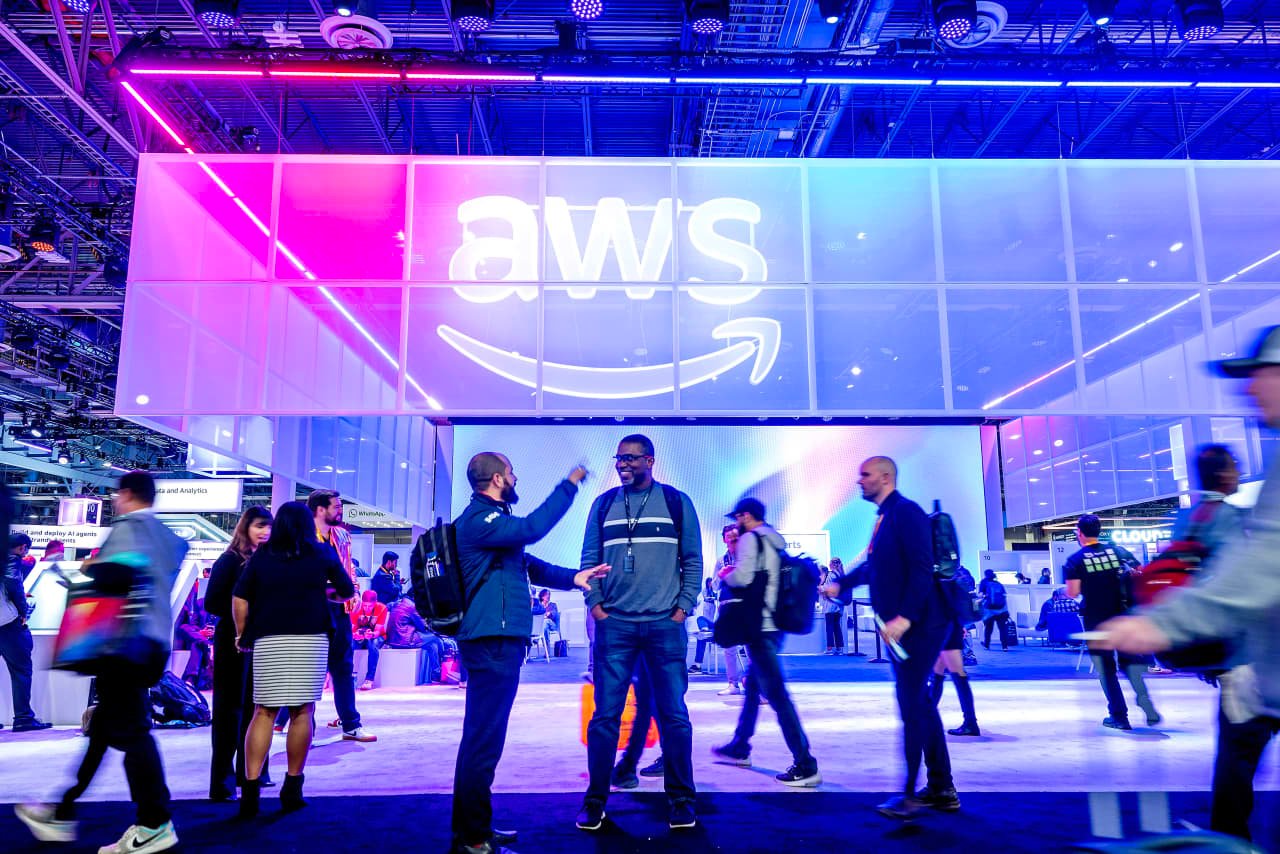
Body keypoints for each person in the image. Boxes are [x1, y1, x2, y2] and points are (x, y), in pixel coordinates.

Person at [1103, 431, 1266, 833]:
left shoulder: (1186, 518)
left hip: (1218, 652)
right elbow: (1233, 585)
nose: (1238, 473)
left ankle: (1228, 834)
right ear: (1222, 475)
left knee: (1236, 752)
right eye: (1234, 467)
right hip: (1250, 656)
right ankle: (1229, 836)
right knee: (1239, 753)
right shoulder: (1229, 519)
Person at [17, 471, 186, 853]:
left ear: (126, 494)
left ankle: (155, 823)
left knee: (134, 734)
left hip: (123, 644)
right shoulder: (167, 537)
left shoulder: (129, 528)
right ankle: (61, 811)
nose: (115, 502)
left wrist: (91, 569)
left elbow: (116, 575)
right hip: (153, 643)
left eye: (116, 496)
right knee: (104, 730)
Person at [451, 452, 606, 854]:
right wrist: (570, 483)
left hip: (495, 640)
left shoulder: (492, 523)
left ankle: (473, 828)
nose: (516, 478)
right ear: (498, 479)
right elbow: (533, 528)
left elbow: (530, 565)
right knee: (484, 741)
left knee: (481, 738)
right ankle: (473, 838)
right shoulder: (481, 520)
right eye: (512, 473)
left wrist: (575, 577)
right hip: (492, 641)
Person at [578, 435, 701, 833]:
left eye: (630, 458)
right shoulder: (603, 505)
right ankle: (595, 802)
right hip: (616, 625)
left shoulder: (677, 502)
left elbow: (693, 559)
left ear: (650, 460)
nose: (622, 464)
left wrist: (683, 607)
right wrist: (596, 605)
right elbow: (589, 559)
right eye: (619, 458)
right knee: (605, 717)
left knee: (674, 715)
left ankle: (681, 800)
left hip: (665, 624)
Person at [827, 456, 958, 820]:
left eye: (865, 475)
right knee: (920, 703)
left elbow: (921, 568)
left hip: (921, 625)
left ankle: (909, 795)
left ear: (885, 478)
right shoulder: (886, 517)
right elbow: (874, 567)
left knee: (911, 704)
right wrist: (841, 583)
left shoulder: (906, 512)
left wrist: (905, 617)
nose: (859, 481)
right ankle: (941, 788)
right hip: (906, 627)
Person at [232, 501, 354, 819]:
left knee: (263, 712)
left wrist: (241, 634)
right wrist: (322, 594)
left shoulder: (262, 555)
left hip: (268, 637)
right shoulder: (322, 553)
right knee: (302, 712)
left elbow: (240, 596)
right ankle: (292, 787)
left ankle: (250, 791)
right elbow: (346, 591)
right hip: (310, 637)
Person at [712, 498, 821, 787]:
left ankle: (805, 763)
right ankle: (740, 745)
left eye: (738, 517)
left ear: (747, 516)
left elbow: (743, 577)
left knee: (777, 696)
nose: (736, 523)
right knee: (753, 688)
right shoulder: (774, 540)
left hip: (759, 626)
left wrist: (726, 574)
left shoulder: (751, 539)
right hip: (774, 624)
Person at [1063, 514, 1159, 731]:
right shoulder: (1119, 551)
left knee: (1106, 669)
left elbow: (1073, 592)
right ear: (1099, 530)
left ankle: (1119, 716)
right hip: (1123, 616)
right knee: (1129, 663)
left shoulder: (1075, 560)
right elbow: (1141, 572)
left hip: (1097, 621)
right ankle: (1145, 702)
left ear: (1079, 533)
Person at [205, 506, 272, 802]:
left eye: (269, 527)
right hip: (232, 641)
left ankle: (252, 773)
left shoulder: (269, 560)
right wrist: (242, 615)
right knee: (228, 711)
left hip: (261, 641)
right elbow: (211, 602)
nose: (265, 532)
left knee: (258, 708)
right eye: (259, 526)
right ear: (245, 528)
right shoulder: (229, 560)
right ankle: (222, 781)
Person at [310, 489, 375, 742]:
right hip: (312, 611)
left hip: (340, 609)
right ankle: (298, 726)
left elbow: (349, 568)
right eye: (336, 506)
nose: (341, 511)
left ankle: (351, 724)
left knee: (344, 667)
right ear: (320, 509)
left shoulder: (342, 535)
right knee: (310, 670)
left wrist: (355, 591)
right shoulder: (304, 536)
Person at [2, 532, 49, 732]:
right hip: (8, 625)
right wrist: (23, 610)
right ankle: (23, 718)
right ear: (23, 547)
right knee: (21, 672)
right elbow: (12, 580)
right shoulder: (12, 561)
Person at [385, 595, 446, 685]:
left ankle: (436, 675)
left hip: (393, 640)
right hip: (405, 640)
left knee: (432, 645)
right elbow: (422, 627)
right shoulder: (411, 606)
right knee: (436, 637)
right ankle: (442, 665)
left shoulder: (398, 603)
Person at [714, 525, 745, 695]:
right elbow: (714, 587)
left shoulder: (748, 558)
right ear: (724, 539)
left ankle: (755, 684)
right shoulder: (721, 561)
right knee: (729, 648)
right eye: (729, 537)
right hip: (727, 605)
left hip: (746, 605)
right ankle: (733, 684)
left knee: (751, 647)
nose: (733, 540)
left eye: (736, 536)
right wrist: (721, 575)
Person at [175, 591, 214, 689]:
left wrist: (215, 632)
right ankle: (205, 643)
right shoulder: (200, 602)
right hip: (202, 637)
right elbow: (193, 624)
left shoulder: (226, 604)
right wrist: (201, 632)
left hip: (216, 639)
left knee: (196, 644)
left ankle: (190, 679)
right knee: (184, 627)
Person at [351, 590, 389, 691]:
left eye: (370, 606)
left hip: (377, 636)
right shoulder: (356, 607)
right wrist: (355, 634)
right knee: (349, 644)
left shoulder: (382, 608)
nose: (367, 608)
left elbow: (378, 631)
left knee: (373, 644)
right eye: (365, 605)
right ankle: (348, 676)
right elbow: (352, 629)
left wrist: (371, 634)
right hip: (360, 637)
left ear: (375, 603)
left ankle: (369, 679)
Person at [688, 576, 717, 674]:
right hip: (717, 625)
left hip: (725, 629)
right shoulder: (707, 590)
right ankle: (705, 629)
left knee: (702, 637)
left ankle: (697, 665)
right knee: (701, 619)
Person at [978, 570, 1011, 651]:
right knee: (1002, 628)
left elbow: (980, 595)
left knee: (988, 628)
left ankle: (986, 645)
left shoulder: (984, 582)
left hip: (989, 610)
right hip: (1001, 610)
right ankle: (1005, 646)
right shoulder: (998, 584)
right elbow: (1004, 597)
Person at [821, 558, 846, 655]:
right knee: (837, 626)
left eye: (830, 563)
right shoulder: (842, 575)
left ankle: (829, 649)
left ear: (832, 564)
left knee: (829, 627)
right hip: (839, 606)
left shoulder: (831, 575)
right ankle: (839, 649)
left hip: (830, 604)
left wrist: (820, 588)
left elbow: (826, 588)